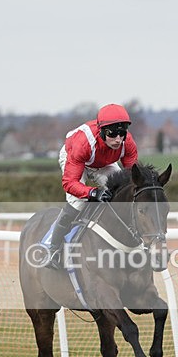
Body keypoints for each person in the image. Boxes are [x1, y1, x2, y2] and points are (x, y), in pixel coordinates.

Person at [44, 103, 139, 268]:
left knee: (121, 193)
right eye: (112, 134)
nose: (118, 139)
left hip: (103, 162)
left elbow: (132, 179)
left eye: (122, 133)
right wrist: (93, 193)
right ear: (101, 131)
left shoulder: (127, 143)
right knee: (78, 202)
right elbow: (70, 183)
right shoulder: (83, 143)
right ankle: (53, 249)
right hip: (75, 156)